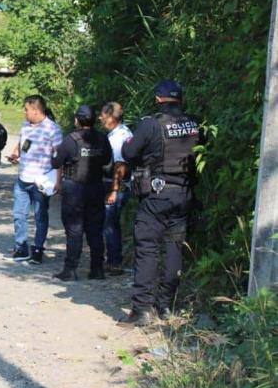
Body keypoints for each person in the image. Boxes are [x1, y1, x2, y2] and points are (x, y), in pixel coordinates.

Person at [120, 79, 203, 326]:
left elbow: (129, 153)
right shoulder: (195, 124)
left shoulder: (151, 124)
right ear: (180, 99)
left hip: (156, 194)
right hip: (184, 193)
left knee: (147, 247)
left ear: (158, 99)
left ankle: (142, 310)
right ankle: (165, 305)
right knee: (174, 246)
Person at [51, 105, 112, 281]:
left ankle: (70, 270)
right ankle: (97, 269)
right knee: (95, 229)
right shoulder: (102, 139)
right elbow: (107, 160)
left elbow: (56, 163)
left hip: (74, 188)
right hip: (95, 187)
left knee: (74, 229)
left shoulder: (71, 140)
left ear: (77, 120)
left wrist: (52, 154)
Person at [7, 95, 63, 263]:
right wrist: (16, 153)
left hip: (40, 182)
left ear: (36, 111)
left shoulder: (53, 129)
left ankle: (38, 248)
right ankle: (21, 247)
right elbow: (23, 143)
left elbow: (59, 157)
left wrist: (58, 181)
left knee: (40, 216)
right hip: (22, 179)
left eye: (26, 109)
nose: (24, 112)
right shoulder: (25, 125)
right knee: (19, 215)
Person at [99, 102, 133, 275]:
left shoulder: (119, 137)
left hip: (118, 187)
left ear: (111, 117)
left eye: (103, 115)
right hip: (117, 185)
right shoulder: (120, 133)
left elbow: (120, 165)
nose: (100, 118)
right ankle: (113, 260)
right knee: (111, 223)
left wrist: (114, 190)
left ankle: (114, 263)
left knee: (109, 223)